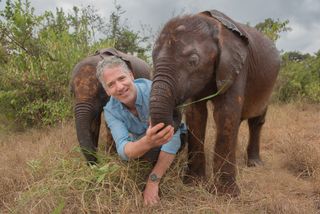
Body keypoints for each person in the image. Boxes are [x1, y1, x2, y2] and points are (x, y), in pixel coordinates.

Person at [96, 56, 184, 206]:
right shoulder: (110, 110)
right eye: (111, 84)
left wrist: (153, 180)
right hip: (145, 142)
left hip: (172, 136)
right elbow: (123, 150)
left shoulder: (155, 91)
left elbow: (172, 132)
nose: (119, 87)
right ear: (107, 91)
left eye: (122, 78)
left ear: (131, 75)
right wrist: (148, 141)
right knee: (136, 157)